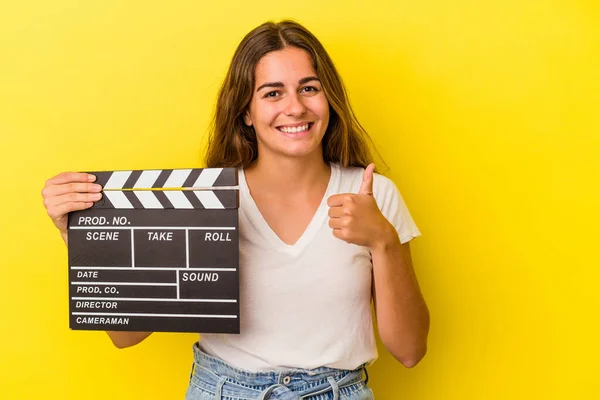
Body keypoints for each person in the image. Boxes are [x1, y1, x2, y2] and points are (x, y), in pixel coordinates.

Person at [42, 20, 429, 400]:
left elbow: (409, 350)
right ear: (245, 111)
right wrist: (77, 233)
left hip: (337, 391)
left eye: (309, 88)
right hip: (223, 390)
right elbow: (126, 336)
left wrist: (384, 241)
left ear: (329, 99)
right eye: (272, 93)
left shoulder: (374, 194)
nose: (295, 107)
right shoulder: (203, 199)